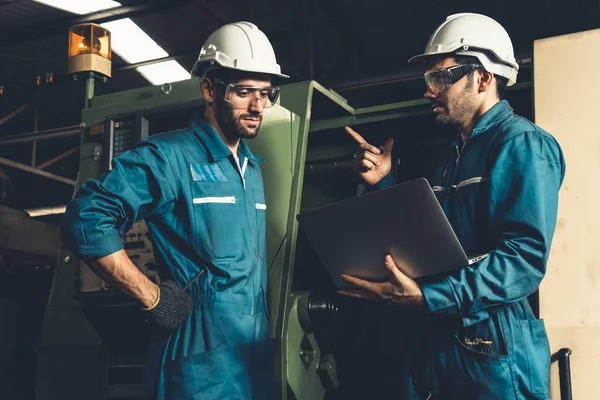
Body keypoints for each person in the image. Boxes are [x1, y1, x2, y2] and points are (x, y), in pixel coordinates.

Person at [339, 13, 565, 399]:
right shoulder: (453, 157)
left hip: (491, 339)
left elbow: (524, 260)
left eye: (442, 76)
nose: (430, 90)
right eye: (429, 79)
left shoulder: (521, 144)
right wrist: (385, 185)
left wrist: (430, 296)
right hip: (438, 337)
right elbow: (431, 243)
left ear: (484, 77)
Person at [60, 21, 288, 400]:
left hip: (252, 361)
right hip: (198, 366)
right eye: (244, 92)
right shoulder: (169, 157)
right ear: (209, 88)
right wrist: (151, 296)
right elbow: (86, 217)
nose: (258, 106)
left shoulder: (251, 167)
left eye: (266, 93)